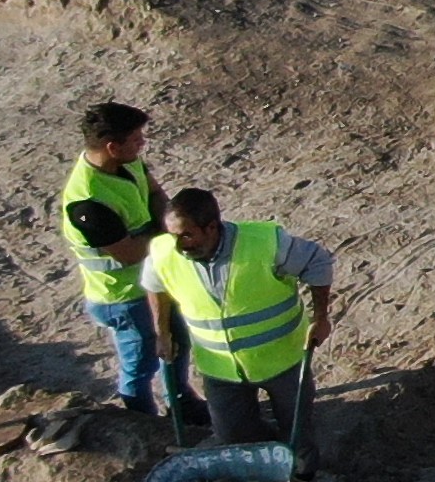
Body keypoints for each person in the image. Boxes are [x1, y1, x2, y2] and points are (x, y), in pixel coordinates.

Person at [142, 189, 337, 456]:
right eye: (172, 235)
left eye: (186, 235)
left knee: (297, 430)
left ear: (211, 227)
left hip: (282, 360)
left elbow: (317, 261)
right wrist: (161, 331)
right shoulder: (164, 251)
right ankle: (271, 456)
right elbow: (155, 285)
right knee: (234, 435)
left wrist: (321, 318)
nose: (177, 245)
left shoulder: (263, 242)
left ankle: (302, 472)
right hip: (220, 369)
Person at [55, 100, 190, 421]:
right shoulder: (88, 202)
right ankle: (141, 422)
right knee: (141, 365)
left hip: (150, 283)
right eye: (136, 139)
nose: (142, 144)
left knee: (176, 344)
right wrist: (173, 237)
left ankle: (181, 404)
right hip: (124, 297)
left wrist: (168, 221)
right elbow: (129, 252)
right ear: (113, 147)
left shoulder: (128, 162)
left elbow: (156, 193)